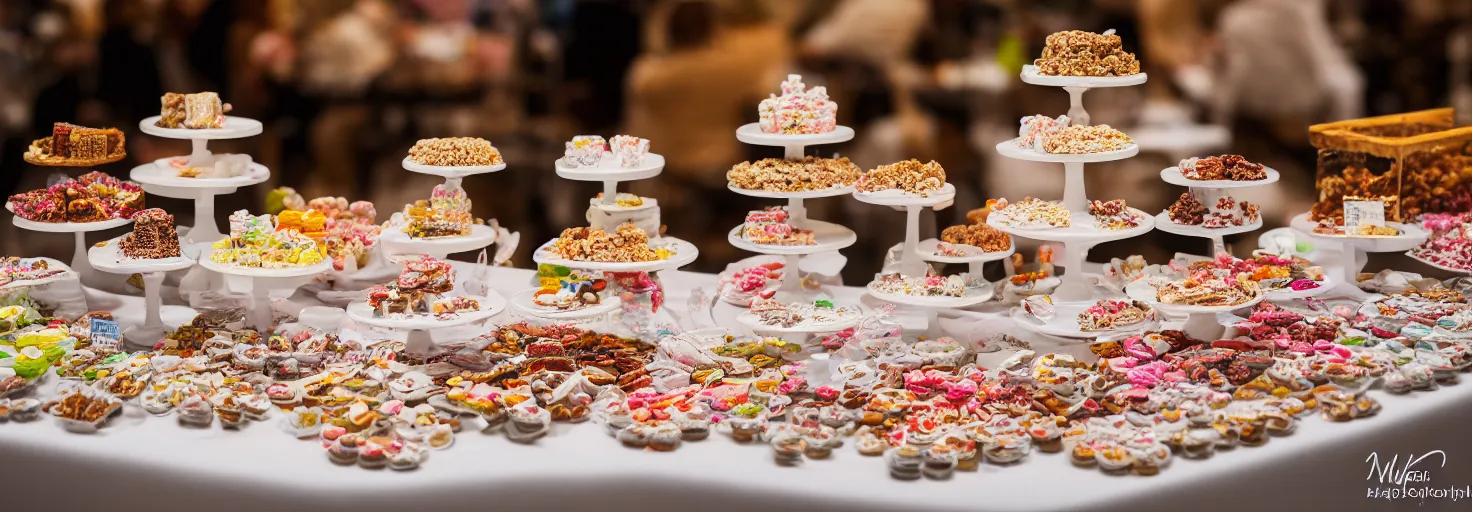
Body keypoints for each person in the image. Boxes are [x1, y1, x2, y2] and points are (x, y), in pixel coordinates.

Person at [623, 0, 791, 267]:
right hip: (722, 165)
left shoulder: (648, 76)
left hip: (670, 170)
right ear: (713, 28)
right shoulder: (735, 69)